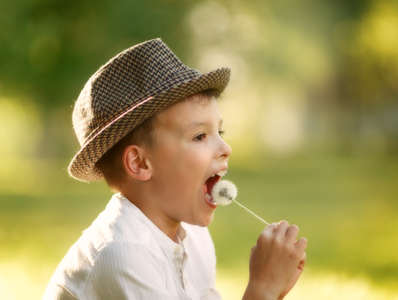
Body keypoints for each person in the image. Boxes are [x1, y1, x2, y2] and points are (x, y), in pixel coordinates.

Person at [43, 38, 307, 300]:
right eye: (200, 136)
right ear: (139, 163)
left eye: (220, 131)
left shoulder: (194, 236)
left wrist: (275, 288)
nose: (225, 147)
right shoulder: (123, 254)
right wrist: (262, 290)